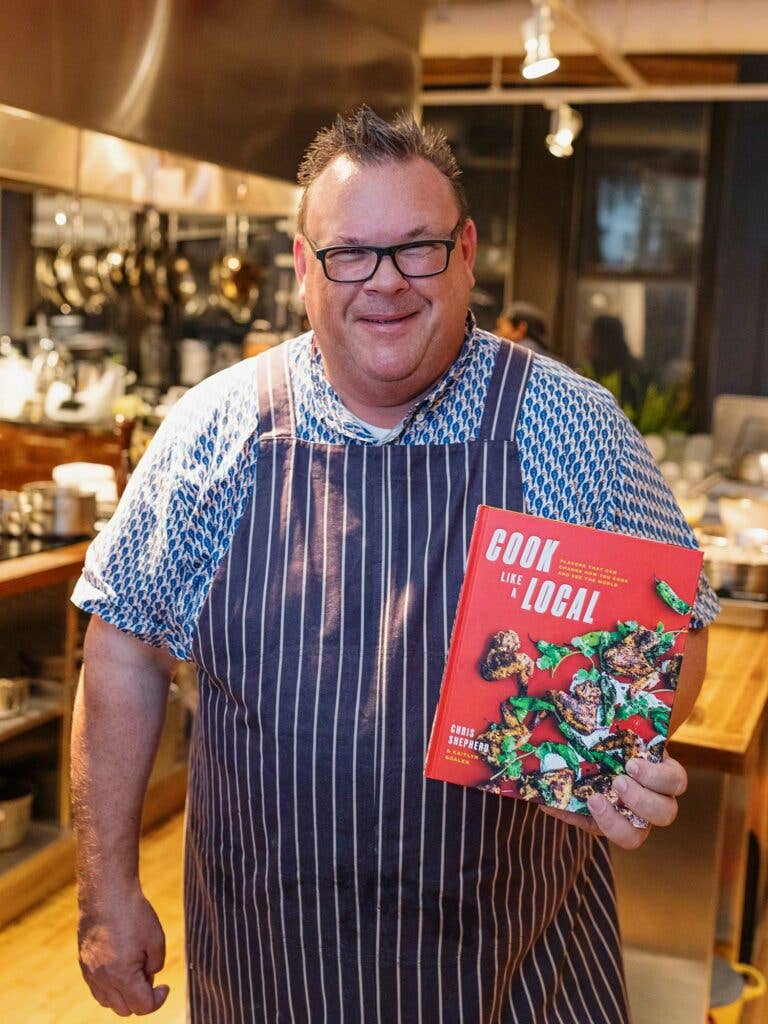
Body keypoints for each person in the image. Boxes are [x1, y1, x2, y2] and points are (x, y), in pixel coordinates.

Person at [71, 107, 718, 1022]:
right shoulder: (214, 433)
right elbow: (124, 649)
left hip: (508, 967)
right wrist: (104, 891)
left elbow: (674, 628)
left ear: (466, 252)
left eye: (417, 248)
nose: (385, 283)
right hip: (270, 965)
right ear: (304, 267)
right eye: (350, 254)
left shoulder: (566, 426)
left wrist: (617, 751)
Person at [585, 313, 647, 411]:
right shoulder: (593, 369)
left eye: (591, 338)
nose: (586, 343)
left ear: (603, 342)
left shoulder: (630, 375)